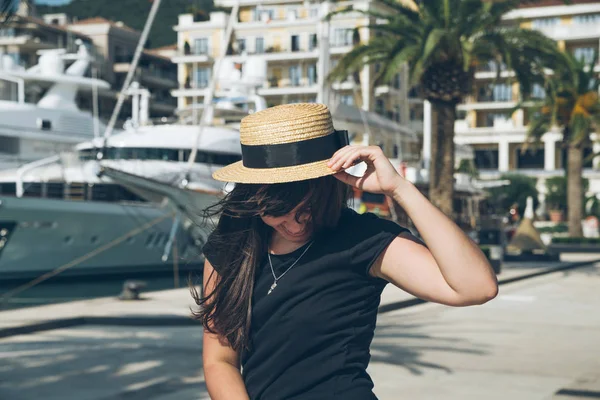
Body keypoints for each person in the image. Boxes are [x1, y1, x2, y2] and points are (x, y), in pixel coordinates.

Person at [193, 103, 498, 400]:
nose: (297, 224)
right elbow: (219, 361)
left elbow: (476, 287)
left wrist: (399, 188)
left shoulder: (361, 239)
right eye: (278, 211)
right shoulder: (232, 244)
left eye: (310, 208)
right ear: (254, 197)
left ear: (331, 186)